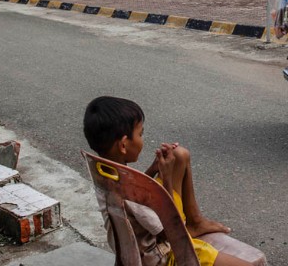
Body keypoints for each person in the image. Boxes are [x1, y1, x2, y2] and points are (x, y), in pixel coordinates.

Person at [83, 96, 254, 266]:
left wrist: (153, 168)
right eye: (140, 134)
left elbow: (135, 197)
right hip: (164, 257)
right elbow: (172, 231)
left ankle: (196, 223)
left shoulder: (106, 172)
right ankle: (193, 228)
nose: (142, 139)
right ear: (123, 145)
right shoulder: (131, 192)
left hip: (143, 245)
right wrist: (166, 177)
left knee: (179, 155)